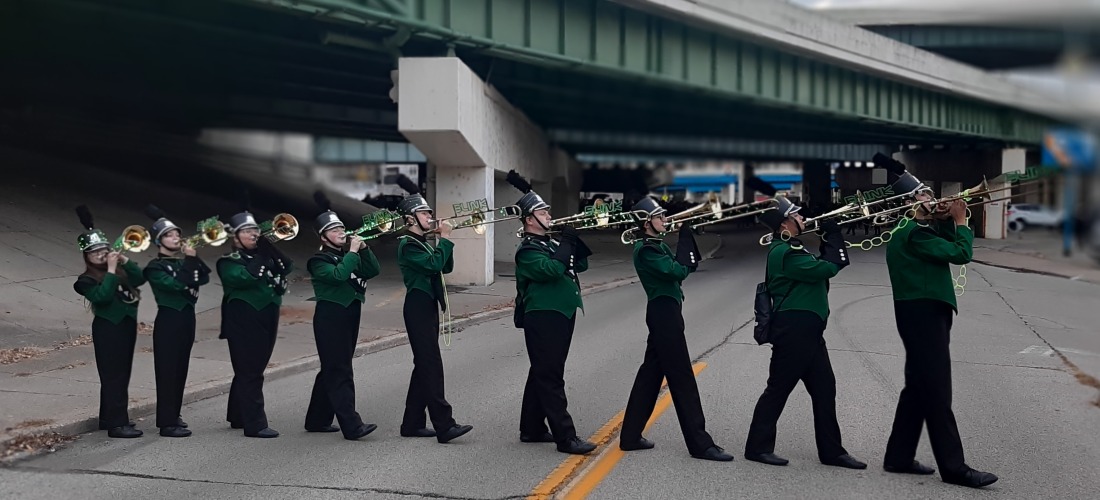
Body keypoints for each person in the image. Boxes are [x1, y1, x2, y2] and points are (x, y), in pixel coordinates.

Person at [879, 162, 998, 488]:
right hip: (922, 315)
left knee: (918, 386)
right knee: (937, 390)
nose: (933, 200)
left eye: (931, 194)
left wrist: (946, 220)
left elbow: (943, 249)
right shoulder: (913, 233)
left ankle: (898, 457)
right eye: (925, 196)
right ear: (907, 202)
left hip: (922, 313)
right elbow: (960, 254)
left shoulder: (918, 230)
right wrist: (961, 221)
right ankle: (954, 468)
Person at [744, 195, 866, 470]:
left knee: (825, 389)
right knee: (778, 389)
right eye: (797, 215)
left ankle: (832, 452)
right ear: (784, 223)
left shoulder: (791, 248)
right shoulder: (785, 253)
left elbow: (820, 267)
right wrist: (834, 238)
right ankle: (757, 448)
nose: (803, 218)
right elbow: (826, 268)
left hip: (807, 330)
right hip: (794, 330)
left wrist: (827, 239)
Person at [619, 196, 733, 461]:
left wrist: (686, 234)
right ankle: (701, 444)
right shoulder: (646, 249)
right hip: (663, 314)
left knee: (650, 376)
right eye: (659, 217)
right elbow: (677, 271)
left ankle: (630, 436)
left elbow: (684, 267)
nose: (665, 220)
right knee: (682, 378)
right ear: (647, 223)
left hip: (667, 311)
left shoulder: (654, 245)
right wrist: (684, 239)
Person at [507, 170, 597, 455]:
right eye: (542, 211)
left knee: (543, 371)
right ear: (529, 219)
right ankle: (566, 437)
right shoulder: (528, 250)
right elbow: (552, 270)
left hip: (562, 313)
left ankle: (531, 428)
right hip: (543, 315)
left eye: (547, 210)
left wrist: (572, 237)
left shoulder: (552, 242)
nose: (548, 214)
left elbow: (580, 265)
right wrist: (566, 243)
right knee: (551, 376)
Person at [393, 175, 473, 444]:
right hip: (417, 305)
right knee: (431, 364)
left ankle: (412, 423)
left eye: (429, 212)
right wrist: (446, 239)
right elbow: (433, 266)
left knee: (423, 365)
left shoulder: (425, 242)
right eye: (424, 213)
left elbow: (445, 266)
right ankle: (444, 424)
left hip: (428, 305)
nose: (430, 216)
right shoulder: (407, 245)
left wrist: (443, 241)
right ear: (410, 220)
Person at [303, 192, 380, 441]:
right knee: (341, 370)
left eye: (341, 228)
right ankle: (352, 425)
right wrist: (353, 251)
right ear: (323, 236)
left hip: (350, 314)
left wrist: (364, 249)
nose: (341, 232)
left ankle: (316, 420)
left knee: (332, 368)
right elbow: (337, 276)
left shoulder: (348, 255)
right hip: (330, 317)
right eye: (334, 230)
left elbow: (372, 270)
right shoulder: (318, 260)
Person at [217, 206, 292, 438]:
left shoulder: (262, 254)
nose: (253, 234)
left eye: (255, 230)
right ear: (235, 237)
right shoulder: (228, 261)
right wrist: (261, 255)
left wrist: (269, 245)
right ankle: (255, 423)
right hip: (243, 317)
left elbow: (287, 265)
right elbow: (246, 277)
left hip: (268, 314)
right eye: (247, 231)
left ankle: (238, 414)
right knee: (250, 371)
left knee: (251, 368)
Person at [72, 205, 147, 438]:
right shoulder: (85, 280)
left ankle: (108, 417)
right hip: (107, 328)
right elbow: (102, 298)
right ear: (87, 256)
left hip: (126, 324)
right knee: (112, 375)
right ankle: (117, 424)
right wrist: (112, 270)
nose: (100, 255)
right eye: (95, 253)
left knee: (122, 373)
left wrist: (124, 260)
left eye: (103, 251)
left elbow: (140, 278)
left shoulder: (117, 270)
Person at [142, 205, 211, 438]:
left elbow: (203, 276)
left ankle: (175, 414)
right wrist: (189, 263)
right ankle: (166, 421)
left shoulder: (183, 263)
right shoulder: (155, 267)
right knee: (167, 370)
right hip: (169, 319)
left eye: (177, 235)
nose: (176, 238)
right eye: (170, 235)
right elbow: (177, 285)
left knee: (181, 368)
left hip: (187, 318)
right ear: (159, 241)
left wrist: (193, 257)